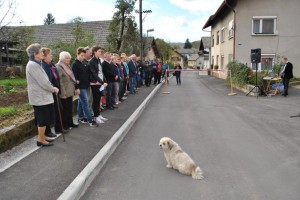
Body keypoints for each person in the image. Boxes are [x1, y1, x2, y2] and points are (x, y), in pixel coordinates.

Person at [26, 43, 59, 147]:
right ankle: (40, 140)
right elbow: (44, 82)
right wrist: (53, 88)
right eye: (41, 52)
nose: (43, 54)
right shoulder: (33, 65)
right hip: (40, 98)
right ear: (35, 54)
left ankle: (43, 137)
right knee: (42, 119)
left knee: (44, 119)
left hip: (42, 97)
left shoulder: (36, 64)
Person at [42, 48, 69, 137]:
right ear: (44, 56)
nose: (51, 56)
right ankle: (53, 130)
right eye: (50, 54)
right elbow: (47, 80)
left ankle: (59, 128)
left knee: (59, 110)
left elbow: (56, 77)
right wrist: (53, 88)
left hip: (56, 90)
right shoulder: (44, 66)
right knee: (54, 111)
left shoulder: (51, 65)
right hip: (51, 91)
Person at [72, 47, 98, 127]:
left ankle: (80, 117)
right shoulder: (75, 64)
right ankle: (90, 120)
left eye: (84, 55)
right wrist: (76, 88)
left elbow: (88, 74)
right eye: (82, 55)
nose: (83, 57)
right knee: (85, 103)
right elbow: (74, 78)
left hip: (86, 85)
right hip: (81, 87)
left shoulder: (84, 63)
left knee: (80, 102)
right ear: (78, 54)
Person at [56, 51, 79, 129]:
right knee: (65, 110)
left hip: (70, 91)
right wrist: (63, 93)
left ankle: (70, 122)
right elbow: (60, 81)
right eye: (66, 58)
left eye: (69, 58)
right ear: (61, 58)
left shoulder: (67, 65)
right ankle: (65, 125)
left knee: (70, 108)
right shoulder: (58, 67)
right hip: (64, 92)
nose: (68, 59)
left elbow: (71, 78)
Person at [88, 46, 108, 123]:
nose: (100, 53)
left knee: (99, 99)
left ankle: (98, 115)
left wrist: (104, 81)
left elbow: (101, 72)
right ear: (95, 52)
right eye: (99, 51)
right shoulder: (92, 61)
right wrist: (102, 82)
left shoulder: (99, 60)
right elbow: (94, 74)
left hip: (100, 83)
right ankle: (96, 116)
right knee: (95, 100)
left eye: (101, 51)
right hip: (95, 83)